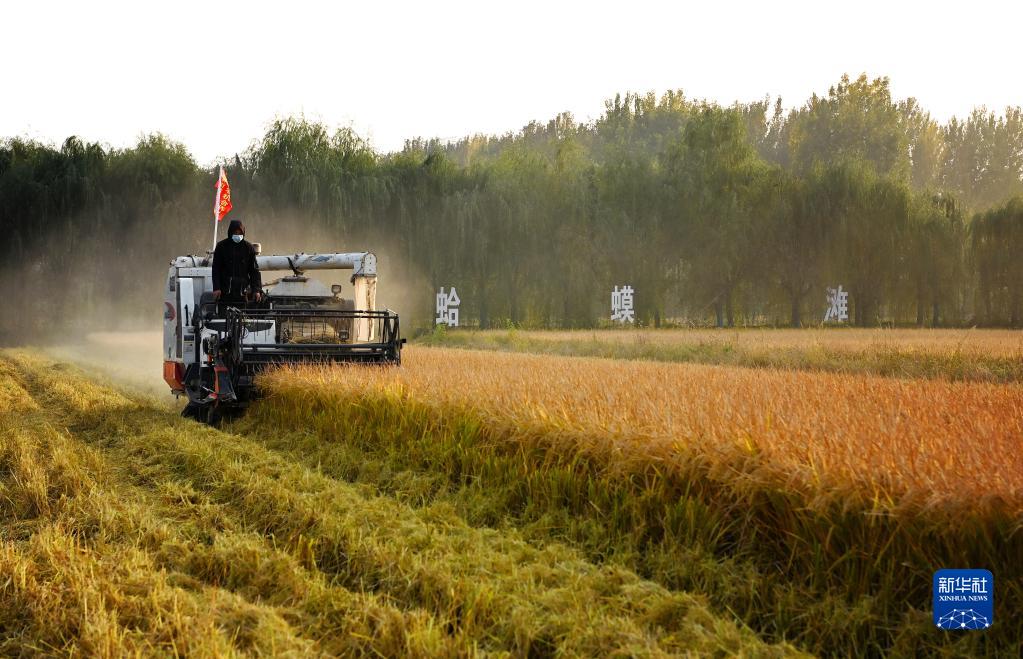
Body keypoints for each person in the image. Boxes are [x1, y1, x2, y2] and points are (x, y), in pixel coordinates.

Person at [211, 219, 262, 304]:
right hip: (224, 293)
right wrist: (216, 288)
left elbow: (254, 271)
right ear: (230, 233)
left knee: (243, 316)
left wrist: (257, 290)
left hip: (243, 293)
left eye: (240, 233)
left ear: (243, 233)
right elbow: (216, 269)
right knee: (223, 316)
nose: (237, 235)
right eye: (235, 233)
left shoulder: (248, 248)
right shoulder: (221, 247)